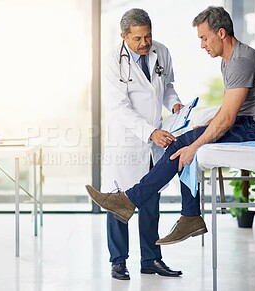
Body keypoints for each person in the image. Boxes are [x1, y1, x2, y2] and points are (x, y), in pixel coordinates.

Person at [88, 6, 255, 246]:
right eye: (138, 38)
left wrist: (195, 140)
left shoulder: (239, 61)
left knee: (184, 146)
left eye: (204, 37)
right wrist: (202, 128)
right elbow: (230, 110)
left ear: (221, 33)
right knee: (186, 141)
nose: (202, 44)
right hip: (129, 136)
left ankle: (141, 205)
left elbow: (228, 117)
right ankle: (184, 216)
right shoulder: (230, 60)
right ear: (124, 37)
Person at [100, 8, 183, 280]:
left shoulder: (162, 51)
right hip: (126, 140)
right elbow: (119, 108)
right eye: (138, 39)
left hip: (154, 141)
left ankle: (151, 259)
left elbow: (167, 86)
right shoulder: (114, 61)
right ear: (124, 36)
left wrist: (175, 104)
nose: (145, 43)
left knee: (150, 202)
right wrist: (149, 132)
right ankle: (118, 261)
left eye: (148, 35)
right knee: (117, 202)